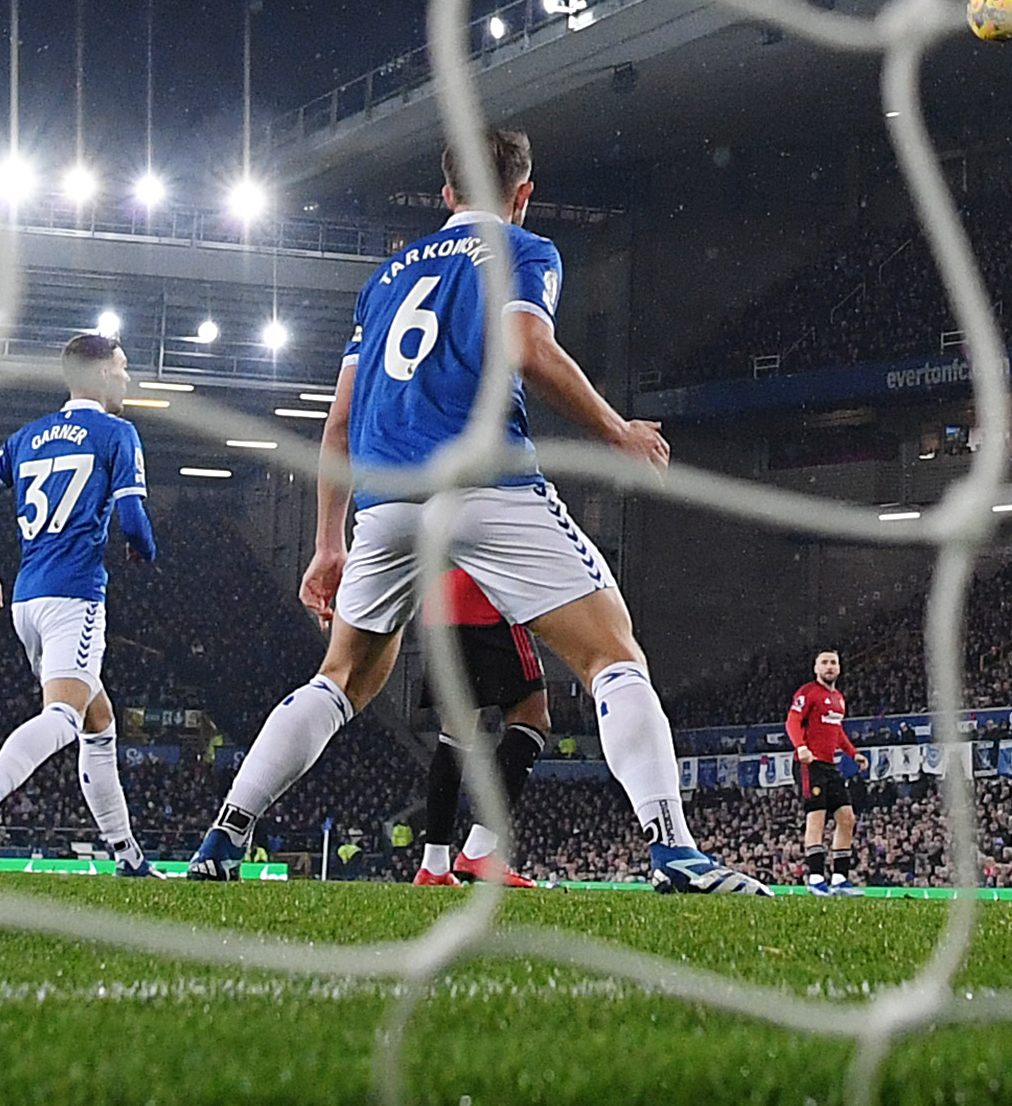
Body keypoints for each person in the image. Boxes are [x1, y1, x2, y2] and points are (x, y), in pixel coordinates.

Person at [189, 127, 763, 895]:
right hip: (486, 483)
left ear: (446, 192)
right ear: (523, 195)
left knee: (340, 679)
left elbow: (335, 424)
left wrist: (328, 542)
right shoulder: (525, 251)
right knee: (611, 658)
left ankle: (227, 833)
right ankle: (674, 847)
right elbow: (527, 346)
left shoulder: (386, 277)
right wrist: (614, 429)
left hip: (386, 503)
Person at [0, 332, 158, 876]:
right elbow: (134, 524)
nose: (127, 378)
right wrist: (143, 548)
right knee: (63, 715)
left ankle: (128, 858)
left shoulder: (25, 437)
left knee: (98, 723)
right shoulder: (117, 434)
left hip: (26, 599)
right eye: (123, 367)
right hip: (75, 595)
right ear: (104, 373)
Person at [412, 566, 547, 888]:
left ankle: (434, 865)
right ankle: (479, 850)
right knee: (532, 717)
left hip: (439, 602)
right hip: (486, 596)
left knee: (456, 731)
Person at [787, 648, 865, 895]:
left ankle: (840, 879)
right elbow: (792, 721)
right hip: (810, 764)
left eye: (833, 662)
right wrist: (801, 747)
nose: (829, 666)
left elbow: (837, 731)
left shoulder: (839, 698)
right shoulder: (808, 692)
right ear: (816, 668)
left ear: (839, 668)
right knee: (817, 818)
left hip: (830, 765)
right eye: (824, 663)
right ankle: (816, 879)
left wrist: (854, 753)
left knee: (847, 818)